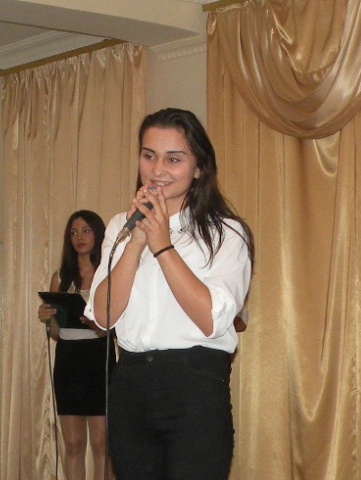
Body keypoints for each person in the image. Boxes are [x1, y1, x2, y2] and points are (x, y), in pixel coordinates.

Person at [84, 108, 254, 480]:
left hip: (195, 385)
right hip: (130, 383)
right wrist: (136, 242)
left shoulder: (227, 233)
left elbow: (211, 319)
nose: (157, 169)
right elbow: (103, 317)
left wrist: (162, 245)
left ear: (199, 168)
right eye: (149, 156)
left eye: (173, 159)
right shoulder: (119, 226)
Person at [38, 210, 116, 480]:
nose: (78, 237)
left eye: (85, 231)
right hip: (68, 359)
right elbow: (56, 333)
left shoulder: (109, 274)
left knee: (101, 445)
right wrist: (47, 318)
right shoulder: (61, 277)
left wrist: (98, 326)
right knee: (73, 444)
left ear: (98, 234)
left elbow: (120, 326)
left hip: (99, 356)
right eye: (73, 232)